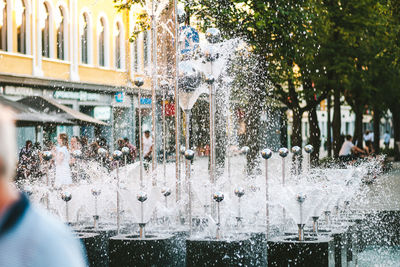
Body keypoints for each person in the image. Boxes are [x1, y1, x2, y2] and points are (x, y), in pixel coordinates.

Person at [0, 105, 86, 267]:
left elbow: (60, 160)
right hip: (62, 171)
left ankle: (64, 210)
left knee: (62, 190)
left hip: (61, 171)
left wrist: (54, 155)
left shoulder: (48, 241)